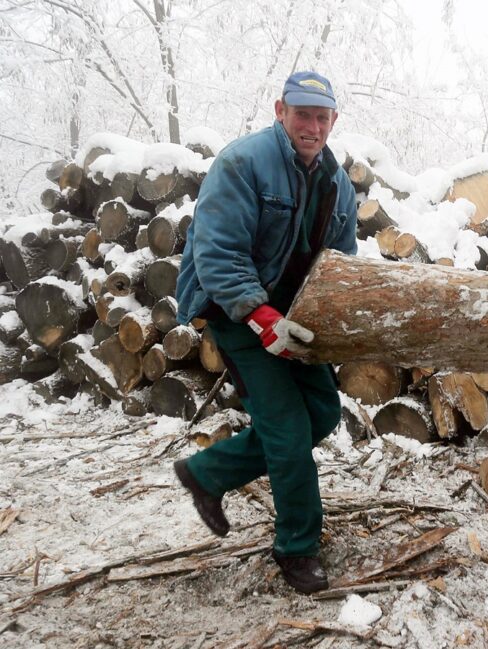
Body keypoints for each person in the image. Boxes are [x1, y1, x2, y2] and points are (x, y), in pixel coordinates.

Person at [172, 71, 357, 593]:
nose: (312, 126)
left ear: (333, 122)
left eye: (322, 118)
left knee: (322, 413)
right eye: (302, 114)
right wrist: (258, 314)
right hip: (234, 309)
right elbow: (218, 253)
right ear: (281, 111)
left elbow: (340, 262)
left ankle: (207, 473)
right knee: (287, 431)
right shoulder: (243, 162)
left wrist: (335, 315)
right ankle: (297, 548)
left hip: (294, 315)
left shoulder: (337, 184)